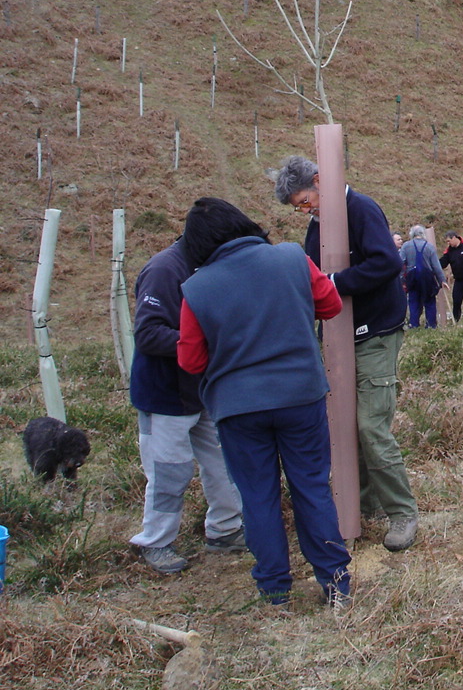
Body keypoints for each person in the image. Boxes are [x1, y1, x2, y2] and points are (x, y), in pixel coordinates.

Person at [176, 197, 351, 608]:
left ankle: (275, 591)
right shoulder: (291, 258)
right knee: (312, 487)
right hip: (300, 396)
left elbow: (190, 360)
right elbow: (331, 305)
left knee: (257, 497)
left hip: (238, 409)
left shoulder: (196, 288)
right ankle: (336, 583)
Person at [273, 155, 419, 552]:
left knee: (371, 426)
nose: (305, 211)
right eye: (299, 208)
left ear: (320, 181)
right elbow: (311, 276)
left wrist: (335, 283)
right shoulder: (317, 227)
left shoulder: (361, 209)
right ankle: (364, 505)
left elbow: (385, 263)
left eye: (305, 201)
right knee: (345, 426)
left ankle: (402, 512)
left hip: (378, 331)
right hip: (338, 338)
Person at [129, 235, 245, 574]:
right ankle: (156, 541)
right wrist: (201, 342)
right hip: (164, 394)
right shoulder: (164, 270)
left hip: (202, 390)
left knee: (224, 463)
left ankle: (225, 530)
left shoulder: (211, 265)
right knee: (169, 471)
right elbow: (148, 334)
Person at [401, 225, 446, 329]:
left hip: (412, 277)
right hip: (427, 278)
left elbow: (400, 263)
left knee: (413, 300)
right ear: (423, 234)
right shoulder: (429, 246)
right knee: (429, 300)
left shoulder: (406, 246)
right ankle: (431, 324)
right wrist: (442, 280)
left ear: (412, 234)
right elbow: (436, 266)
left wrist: (401, 278)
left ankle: (414, 324)